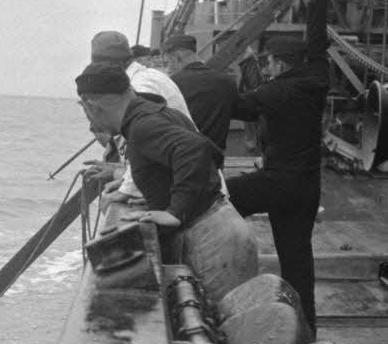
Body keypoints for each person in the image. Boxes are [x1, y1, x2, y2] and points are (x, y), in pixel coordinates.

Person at [76, 62, 258, 303]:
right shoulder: (157, 113)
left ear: (91, 105)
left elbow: (193, 149)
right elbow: (212, 152)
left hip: (214, 242)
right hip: (224, 227)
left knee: (222, 317)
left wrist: (175, 210)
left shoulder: (142, 126)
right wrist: (156, 192)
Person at [227, 0, 329, 333]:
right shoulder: (316, 76)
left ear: (281, 63)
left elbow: (240, 107)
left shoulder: (278, 91)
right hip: (308, 187)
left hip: (279, 183)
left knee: (217, 199)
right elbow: (318, 41)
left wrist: (215, 84)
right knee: (297, 262)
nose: (267, 67)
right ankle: (307, 330)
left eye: (269, 62)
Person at [90, 31, 192, 203]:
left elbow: (146, 137)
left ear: (112, 64)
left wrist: (128, 188)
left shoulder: (140, 86)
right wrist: (124, 172)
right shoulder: (147, 76)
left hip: (188, 187)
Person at [161, 33, 238, 154]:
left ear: (177, 58)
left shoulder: (172, 84)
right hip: (216, 157)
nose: (168, 69)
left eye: (167, 63)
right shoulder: (227, 82)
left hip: (183, 156)